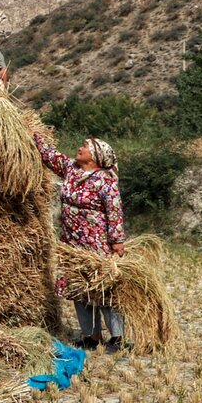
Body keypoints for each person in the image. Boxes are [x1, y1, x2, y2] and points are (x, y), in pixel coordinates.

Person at [33, 133, 128, 353]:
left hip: (97, 244)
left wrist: (117, 241)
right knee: (79, 288)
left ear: (94, 156)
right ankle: (91, 336)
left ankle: (117, 337)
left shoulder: (105, 180)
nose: (79, 148)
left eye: (84, 147)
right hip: (73, 243)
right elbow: (51, 156)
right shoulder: (71, 170)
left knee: (104, 289)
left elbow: (114, 212)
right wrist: (35, 137)